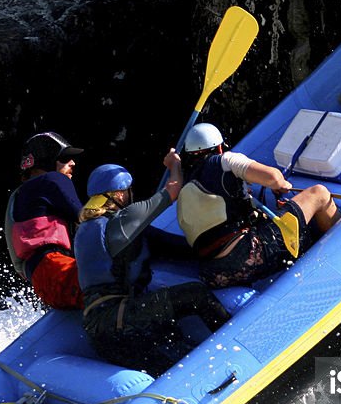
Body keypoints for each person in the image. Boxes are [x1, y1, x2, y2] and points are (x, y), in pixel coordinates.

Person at [74, 154, 231, 375]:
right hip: (122, 319)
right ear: (120, 193)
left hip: (99, 331)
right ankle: (236, 341)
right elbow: (173, 190)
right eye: (129, 190)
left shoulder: (83, 230)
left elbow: (165, 245)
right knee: (196, 294)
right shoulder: (123, 221)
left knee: (170, 351)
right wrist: (174, 164)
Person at [176, 122, 341, 288]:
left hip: (214, 274)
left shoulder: (185, 186)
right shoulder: (225, 160)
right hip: (249, 256)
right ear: (219, 148)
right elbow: (273, 178)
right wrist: (281, 184)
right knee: (319, 193)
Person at [4, 131, 85, 309]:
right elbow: (90, 219)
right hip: (56, 269)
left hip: (44, 282)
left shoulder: (21, 196)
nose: (72, 163)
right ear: (46, 161)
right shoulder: (51, 179)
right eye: (64, 158)